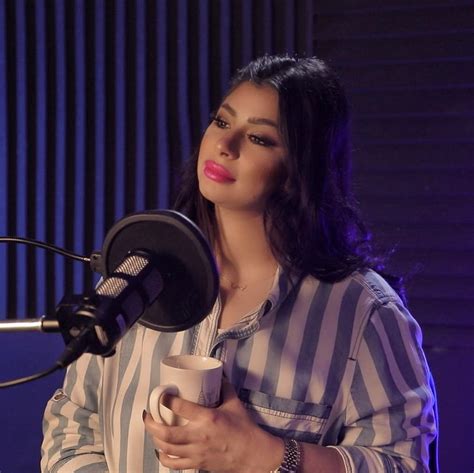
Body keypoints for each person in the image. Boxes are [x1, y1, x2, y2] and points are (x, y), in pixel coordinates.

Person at [41, 54, 437, 472]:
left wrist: (263, 455)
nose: (224, 145)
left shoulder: (365, 314)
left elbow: (403, 464)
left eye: (259, 138)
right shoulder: (134, 280)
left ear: (301, 166)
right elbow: (72, 428)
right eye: (222, 121)